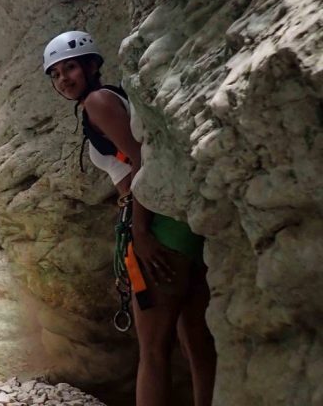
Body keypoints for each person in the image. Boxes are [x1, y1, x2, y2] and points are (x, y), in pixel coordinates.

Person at [43, 31, 217, 406]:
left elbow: (141, 162)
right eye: (55, 73)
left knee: (153, 351)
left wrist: (139, 230)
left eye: (70, 67)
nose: (63, 79)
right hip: (181, 222)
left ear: (91, 65)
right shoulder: (117, 97)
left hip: (157, 226)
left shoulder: (98, 101)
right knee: (195, 339)